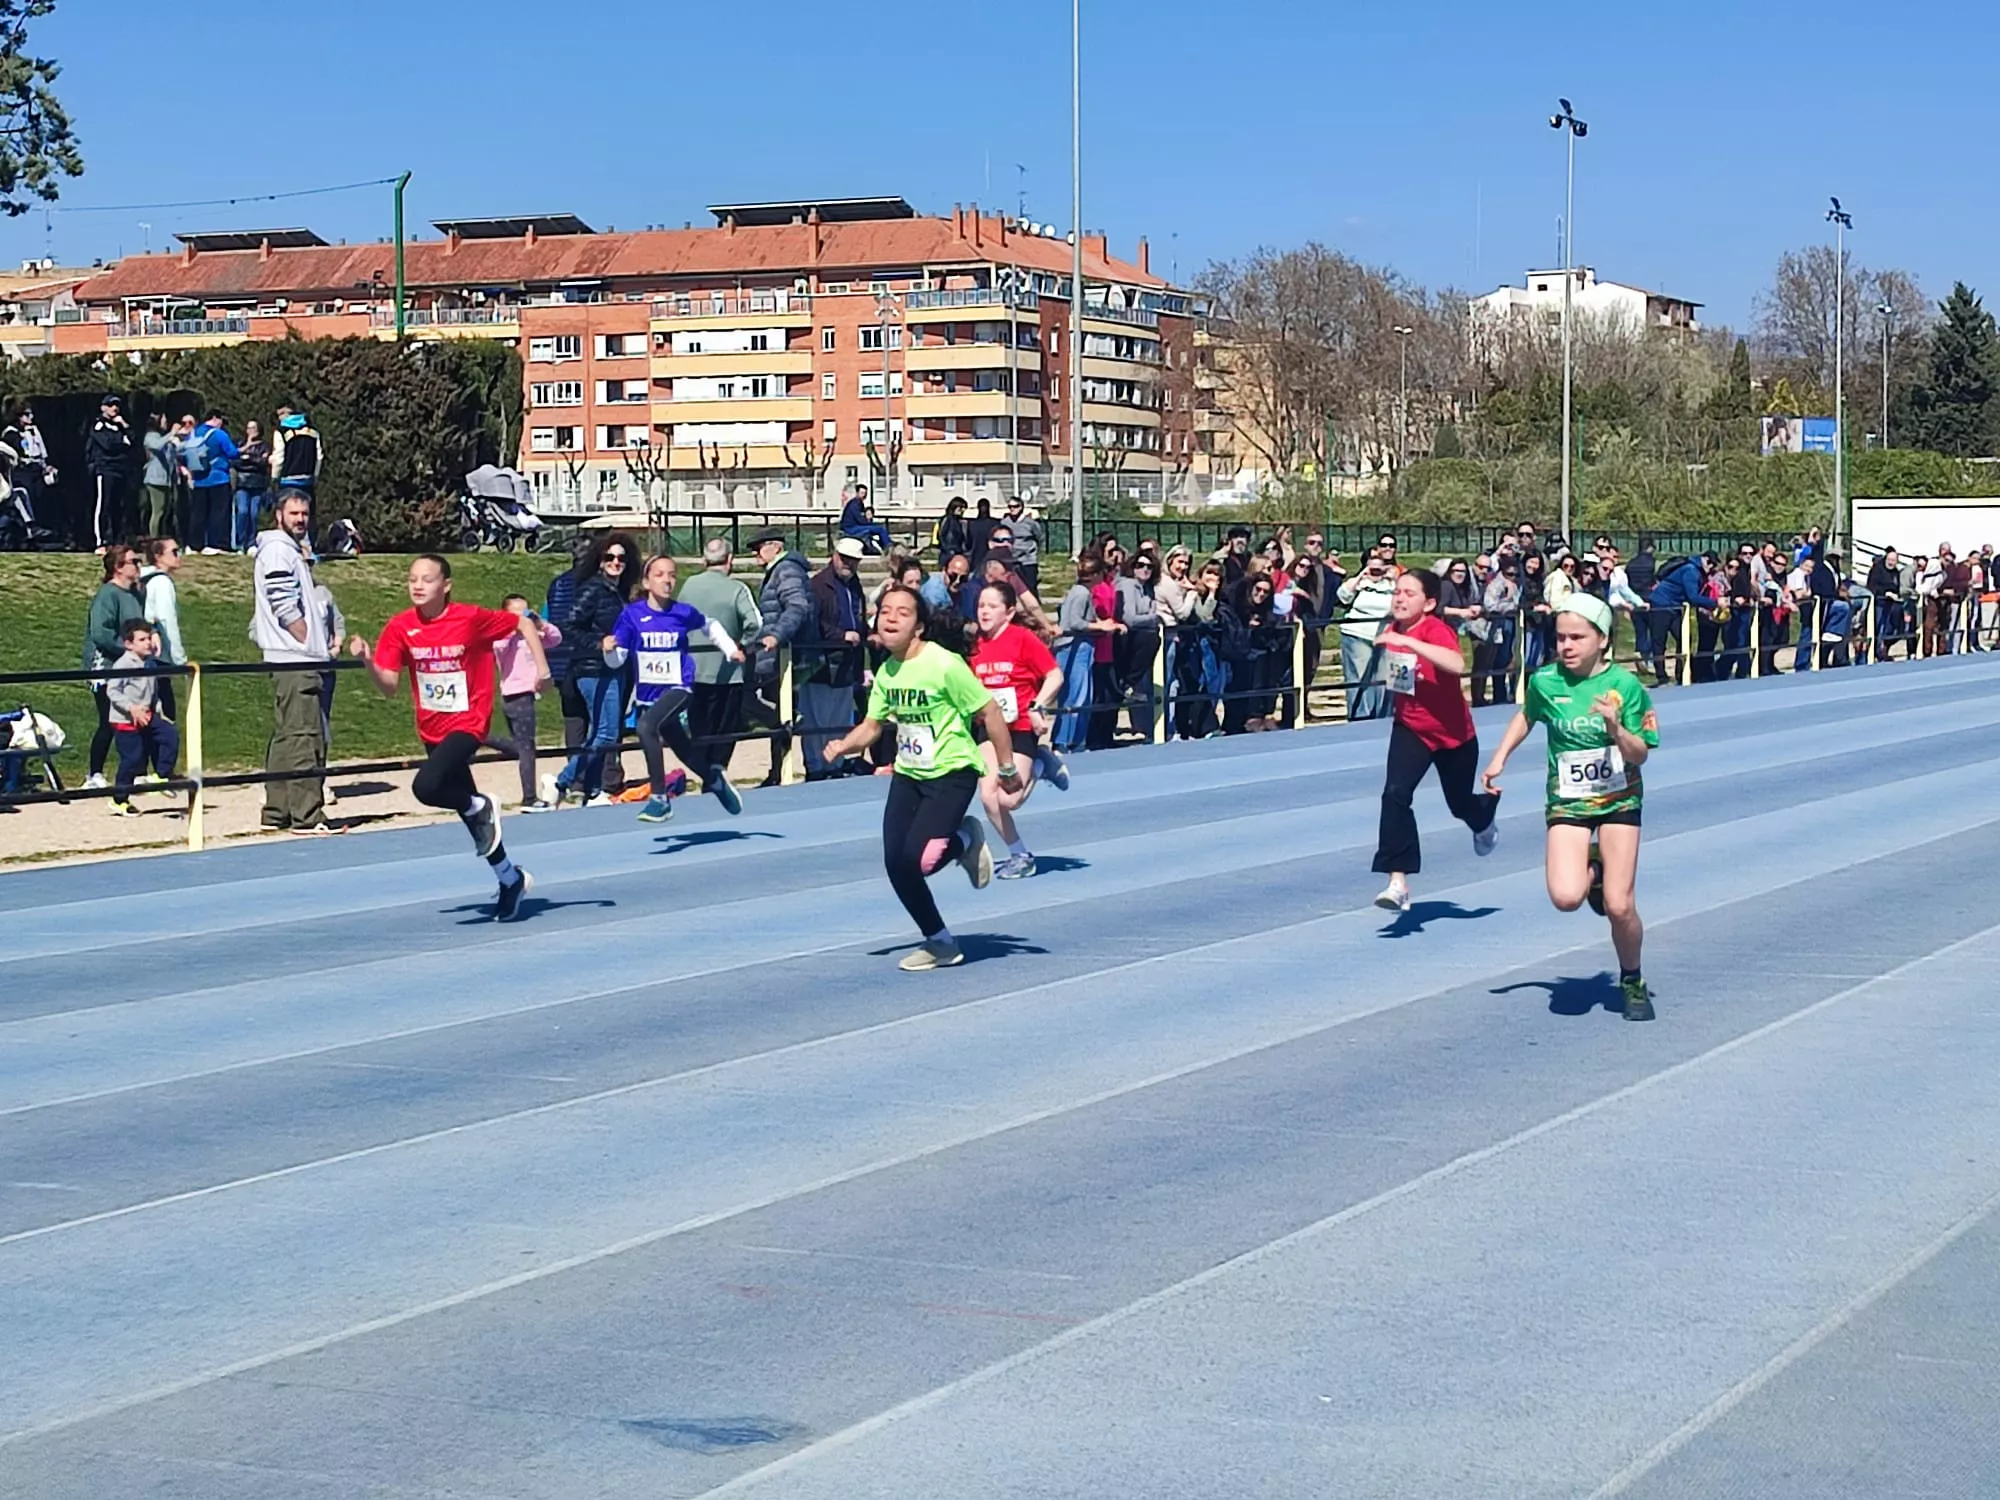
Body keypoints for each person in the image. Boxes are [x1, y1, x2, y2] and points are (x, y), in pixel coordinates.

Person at [1482, 592, 1660, 1022]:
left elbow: (1640, 754)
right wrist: (1500, 756)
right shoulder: (1546, 681)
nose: (1566, 646)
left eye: (1577, 637)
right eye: (1561, 637)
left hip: (1619, 799)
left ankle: (1632, 979)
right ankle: (1593, 869)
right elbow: (1527, 715)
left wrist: (1616, 729)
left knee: (1619, 905)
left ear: (1603, 639)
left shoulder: (1625, 687)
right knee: (1565, 897)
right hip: (1568, 799)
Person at [821, 585, 1016, 971]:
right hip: (910, 774)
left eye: (902, 612)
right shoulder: (887, 670)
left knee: (920, 862)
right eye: (885, 611)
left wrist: (1006, 767)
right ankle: (941, 942)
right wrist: (844, 745)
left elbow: (990, 712)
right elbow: (872, 726)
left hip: (952, 772)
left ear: (919, 627)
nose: (890, 618)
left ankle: (965, 839)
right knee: (896, 863)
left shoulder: (943, 664)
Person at [352, 554, 551, 920]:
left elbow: (523, 622)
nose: (417, 585)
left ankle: (481, 805)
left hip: (469, 721)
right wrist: (367, 660)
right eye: (412, 578)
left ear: (446, 586)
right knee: (472, 816)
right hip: (432, 727)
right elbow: (390, 686)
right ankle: (510, 879)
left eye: (427, 579)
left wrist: (543, 669)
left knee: (426, 787)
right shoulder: (400, 627)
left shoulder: (470, 618)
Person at [1369, 570, 1499, 913]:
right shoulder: (1392, 628)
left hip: (1453, 734)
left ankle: (1483, 817)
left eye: (1409, 593)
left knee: (1459, 804)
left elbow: (1456, 663)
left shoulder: (1434, 629)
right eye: (1397, 592)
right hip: (1411, 728)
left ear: (1428, 604)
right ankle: (1398, 881)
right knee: (1395, 794)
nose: (1399, 598)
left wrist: (1410, 644)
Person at [605, 553, 748, 823]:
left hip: (679, 686)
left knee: (646, 727)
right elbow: (618, 659)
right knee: (682, 748)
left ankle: (659, 799)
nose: (667, 580)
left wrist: (730, 650)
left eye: (672, 575)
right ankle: (713, 778)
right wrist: (608, 650)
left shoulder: (682, 612)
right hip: (648, 695)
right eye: (659, 575)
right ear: (646, 582)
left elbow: (710, 625)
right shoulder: (632, 615)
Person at [250, 492, 338, 832]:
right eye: (293, 513)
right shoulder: (278, 550)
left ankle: (277, 812)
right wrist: (304, 638)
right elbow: (282, 600)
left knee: (287, 736)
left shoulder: (288, 549)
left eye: (304, 513)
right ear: (279, 515)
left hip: (290, 656)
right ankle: (307, 815)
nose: (300, 519)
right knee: (303, 736)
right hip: (295, 658)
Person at [970, 581, 1066, 880]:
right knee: (988, 795)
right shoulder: (974, 645)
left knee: (1009, 800)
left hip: (1021, 726)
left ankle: (1039, 764)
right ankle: (1020, 854)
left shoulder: (1022, 639)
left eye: (992, 606)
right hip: (990, 730)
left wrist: (1038, 705)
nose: (984, 611)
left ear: (1009, 612)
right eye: (981, 605)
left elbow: (1054, 675)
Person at [545, 532, 636, 807]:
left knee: (600, 731)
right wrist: (598, 643)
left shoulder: (617, 590)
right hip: (592, 668)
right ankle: (561, 782)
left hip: (613, 666)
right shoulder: (594, 588)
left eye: (621, 558)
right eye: (610, 557)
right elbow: (568, 623)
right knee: (606, 732)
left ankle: (593, 790)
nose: (616, 562)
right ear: (599, 560)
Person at [677, 537, 762, 780]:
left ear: (704, 559)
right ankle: (717, 772)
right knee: (725, 729)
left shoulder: (688, 586)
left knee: (699, 728)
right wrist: (741, 644)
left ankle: (703, 773)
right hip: (728, 671)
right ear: (730, 559)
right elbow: (756, 623)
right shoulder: (737, 589)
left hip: (693, 668)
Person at [749, 526, 815, 786]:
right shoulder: (781, 570)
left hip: (787, 655)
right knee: (776, 709)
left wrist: (777, 635)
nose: (754, 553)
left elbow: (797, 605)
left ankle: (779, 767)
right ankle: (776, 770)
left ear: (775, 547)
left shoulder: (786, 570)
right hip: (780, 655)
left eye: (758, 548)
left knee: (751, 699)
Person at [81, 544, 147, 788]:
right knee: (109, 720)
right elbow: (101, 633)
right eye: (133, 561)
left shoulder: (135, 594)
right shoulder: (108, 595)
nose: (138, 566)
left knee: (136, 717)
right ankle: (94, 774)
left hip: (131, 666)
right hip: (105, 667)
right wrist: (128, 649)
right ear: (118, 567)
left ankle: (137, 771)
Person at [804, 538, 869, 777]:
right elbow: (814, 624)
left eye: (853, 560)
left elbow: (857, 617)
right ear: (835, 556)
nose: (848, 564)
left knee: (839, 720)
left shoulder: (854, 585)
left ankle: (834, 766)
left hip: (846, 663)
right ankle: (816, 767)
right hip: (822, 664)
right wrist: (841, 635)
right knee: (817, 722)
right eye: (844, 558)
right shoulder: (818, 585)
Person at [491, 594, 561, 811]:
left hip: (527, 694)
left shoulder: (532, 636)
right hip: (515, 694)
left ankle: (482, 738)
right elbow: (498, 648)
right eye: (517, 613)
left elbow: (556, 638)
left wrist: (539, 623)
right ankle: (529, 797)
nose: (523, 617)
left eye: (525, 611)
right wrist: (512, 627)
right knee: (527, 748)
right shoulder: (504, 639)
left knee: (522, 747)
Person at [105, 620, 180, 817]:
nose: (148, 643)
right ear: (129, 644)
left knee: (169, 734)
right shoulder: (123, 664)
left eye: (148, 638)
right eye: (142, 640)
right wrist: (132, 709)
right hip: (125, 720)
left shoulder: (150, 662)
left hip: (147, 715)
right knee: (132, 759)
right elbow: (113, 691)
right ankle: (119, 800)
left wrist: (158, 712)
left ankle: (161, 776)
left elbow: (152, 692)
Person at [1336, 545, 1397, 721]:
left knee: (1383, 680)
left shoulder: (1392, 585)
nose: (1376, 572)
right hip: (1357, 634)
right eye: (1373, 568)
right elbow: (1342, 596)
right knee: (1360, 678)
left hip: (1384, 635)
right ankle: (1360, 718)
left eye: (1380, 568)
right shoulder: (1359, 583)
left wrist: (1394, 579)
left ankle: (1381, 717)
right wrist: (1362, 576)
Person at [138, 536, 187, 722]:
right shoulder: (162, 583)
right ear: (158, 556)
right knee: (166, 717)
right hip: (159, 655)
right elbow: (167, 621)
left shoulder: (144, 579)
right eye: (174, 552)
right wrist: (179, 659)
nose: (178, 555)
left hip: (144, 652)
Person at [182, 410, 240, 555]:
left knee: (198, 513)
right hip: (218, 478)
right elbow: (232, 452)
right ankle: (218, 543)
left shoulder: (193, 433)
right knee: (219, 513)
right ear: (215, 418)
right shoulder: (219, 434)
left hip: (198, 479)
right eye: (221, 421)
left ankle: (194, 544)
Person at [84, 393, 136, 553]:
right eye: (111, 405)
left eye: (116, 405)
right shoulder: (99, 425)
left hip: (120, 469)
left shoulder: (119, 425)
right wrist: (121, 442)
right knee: (103, 505)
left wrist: (124, 426)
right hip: (105, 468)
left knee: (117, 507)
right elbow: (107, 445)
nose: (115, 408)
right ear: (103, 408)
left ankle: (116, 541)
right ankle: (101, 542)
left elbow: (132, 441)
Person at [272, 408, 324, 524]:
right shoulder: (313, 431)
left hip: (287, 481)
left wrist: (274, 477)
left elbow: (279, 457)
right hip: (307, 480)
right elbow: (319, 457)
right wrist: (315, 476)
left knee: (287, 518)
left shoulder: (281, 431)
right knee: (307, 517)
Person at [231, 418, 272, 553]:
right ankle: (240, 543)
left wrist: (249, 459)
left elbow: (263, 462)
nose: (251, 431)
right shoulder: (240, 443)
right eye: (249, 428)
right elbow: (235, 461)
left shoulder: (265, 446)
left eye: (253, 428)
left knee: (253, 514)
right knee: (242, 511)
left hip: (257, 483)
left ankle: (251, 542)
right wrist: (248, 452)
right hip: (242, 482)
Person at [140, 413, 178, 540]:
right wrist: (171, 433)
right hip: (155, 479)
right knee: (158, 511)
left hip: (166, 479)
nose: (166, 423)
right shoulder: (150, 436)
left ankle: (162, 536)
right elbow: (157, 445)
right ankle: (154, 539)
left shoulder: (163, 437)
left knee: (165, 511)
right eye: (164, 420)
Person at [1003, 495, 1042, 594]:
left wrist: (1034, 553)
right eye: (1010, 506)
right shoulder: (1005, 523)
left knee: (1030, 588)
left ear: (1021, 507)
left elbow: (1039, 537)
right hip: (1012, 561)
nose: (1012, 509)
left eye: (1015, 506)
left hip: (1028, 561)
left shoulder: (1030, 524)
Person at [840, 485, 891, 556]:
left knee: (878, 528)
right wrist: (869, 523)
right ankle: (888, 547)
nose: (863, 495)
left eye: (865, 493)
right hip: (851, 528)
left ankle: (885, 546)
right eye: (862, 493)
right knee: (881, 529)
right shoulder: (854, 504)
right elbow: (860, 520)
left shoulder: (858, 503)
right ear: (857, 493)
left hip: (854, 526)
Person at [965, 496, 998, 573]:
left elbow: (968, 544)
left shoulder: (972, 524)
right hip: (990, 559)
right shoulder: (995, 524)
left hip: (975, 559)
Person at [934, 497, 969, 565]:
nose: (962, 511)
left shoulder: (958, 521)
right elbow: (943, 536)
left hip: (952, 552)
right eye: (961, 508)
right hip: (949, 552)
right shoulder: (948, 520)